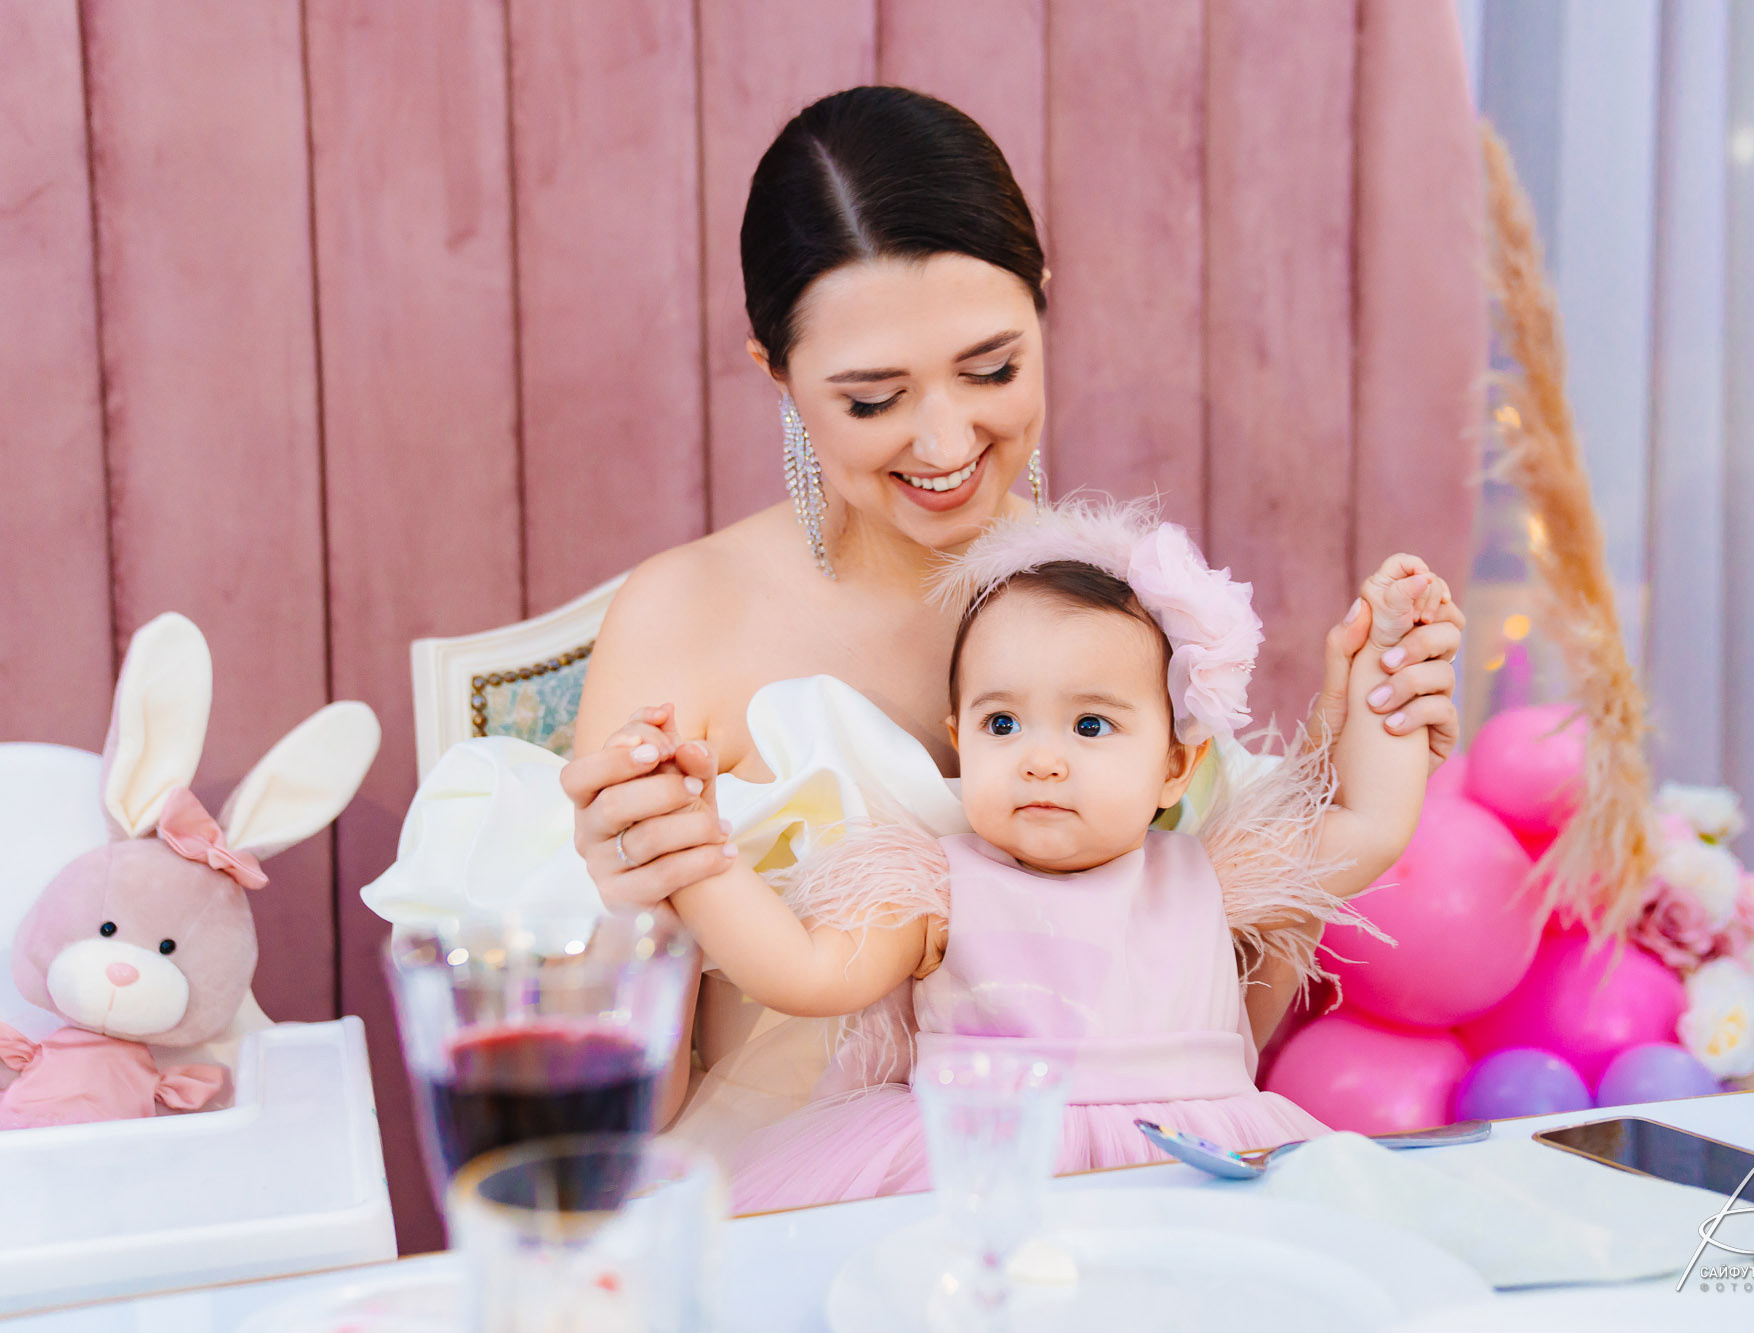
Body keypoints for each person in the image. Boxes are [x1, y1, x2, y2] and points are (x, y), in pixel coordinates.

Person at [557, 86, 1465, 1155]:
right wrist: (643, 901)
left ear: (1043, 305)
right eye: (871, 399)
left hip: (1113, 1181)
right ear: (778, 376)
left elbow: (1213, 1034)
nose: (945, 440)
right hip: (787, 1196)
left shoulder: (1108, 601)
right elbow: (619, 1121)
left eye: (991, 369)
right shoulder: (682, 617)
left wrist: (1339, 740)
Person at [660, 498, 1440, 1210]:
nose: (1041, 759)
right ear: (961, 739)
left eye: (1090, 726)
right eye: (1003, 725)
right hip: (982, 1178)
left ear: (1175, 765)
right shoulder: (937, 888)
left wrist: (1391, 664)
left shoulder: (1208, 875)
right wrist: (700, 854)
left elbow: (1365, 820)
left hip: (1193, 1178)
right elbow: (805, 970)